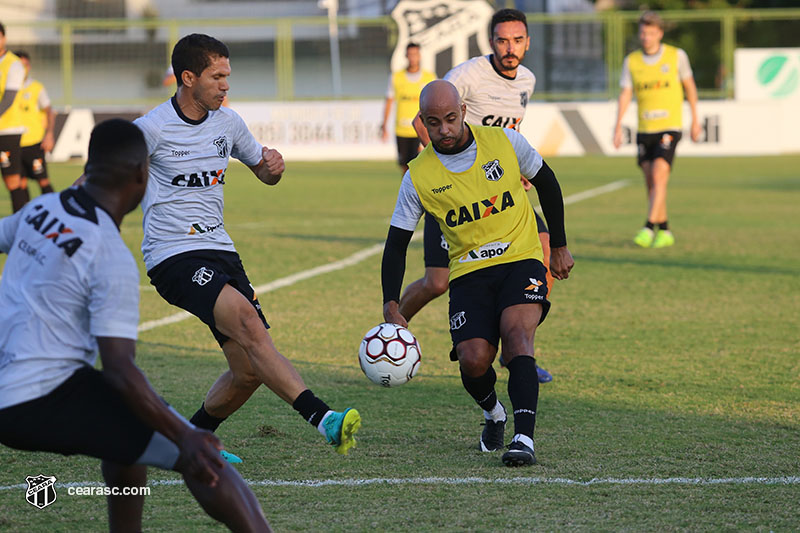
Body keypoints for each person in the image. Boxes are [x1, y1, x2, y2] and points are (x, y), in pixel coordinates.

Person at [0, 119, 272, 532]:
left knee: (125, 444)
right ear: (142, 176)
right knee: (205, 461)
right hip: (41, 398)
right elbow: (120, 370)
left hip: (23, 386)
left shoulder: (41, 209)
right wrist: (186, 437)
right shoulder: (109, 255)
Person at [134, 34, 360, 461]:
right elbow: (103, 176)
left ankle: (190, 442)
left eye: (228, 77)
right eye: (217, 77)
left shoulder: (229, 123)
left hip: (221, 250)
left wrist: (274, 167)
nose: (225, 86)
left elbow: (264, 170)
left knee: (248, 371)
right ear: (188, 78)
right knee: (251, 329)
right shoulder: (151, 128)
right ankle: (324, 418)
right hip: (172, 256)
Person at [381, 80, 574, 466]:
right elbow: (396, 243)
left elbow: (547, 183)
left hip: (521, 258)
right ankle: (493, 414)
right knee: (472, 360)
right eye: (434, 123)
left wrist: (559, 245)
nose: (445, 130)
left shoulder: (504, 142)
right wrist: (391, 303)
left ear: (463, 111)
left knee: (518, 334)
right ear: (423, 123)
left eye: (451, 119)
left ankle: (524, 438)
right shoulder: (417, 176)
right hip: (469, 272)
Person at [406, 8, 554, 383]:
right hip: (458, 197)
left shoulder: (527, 81)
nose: (510, 47)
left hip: (501, 198)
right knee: (436, 283)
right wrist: (446, 174)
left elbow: (510, 133)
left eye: (517, 40)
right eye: (503, 40)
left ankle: (516, 350)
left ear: (527, 43)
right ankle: (391, 327)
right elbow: (423, 121)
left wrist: (514, 168)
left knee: (545, 249)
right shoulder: (467, 75)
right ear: (491, 42)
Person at [613, 10, 701, 248]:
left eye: (651, 33)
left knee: (660, 174)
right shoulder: (632, 61)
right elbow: (625, 94)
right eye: (643, 33)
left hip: (669, 126)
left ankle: (648, 227)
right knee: (651, 183)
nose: (646, 37)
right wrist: (618, 125)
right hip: (645, 128)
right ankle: (665, 229)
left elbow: (690, 86)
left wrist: (695, 118)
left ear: (660, 33)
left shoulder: (676, 56)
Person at [380, 42, 436, 174]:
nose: (413, 57)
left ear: (419, 56)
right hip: (402, 129)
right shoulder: (396, 77)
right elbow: (389, 101)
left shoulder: (429, 77)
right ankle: (408, 193)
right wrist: (384, 126)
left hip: (421, 130)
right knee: (405, 167)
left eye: (415, 54)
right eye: (410, 54)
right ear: (406, 55)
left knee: (422, 165)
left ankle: (422, 194)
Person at [14, 50, 56, 196]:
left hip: (33, 143)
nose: (23, 69)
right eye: (19, 66)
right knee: (19, 183)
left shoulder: (36, 88)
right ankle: (23, 217)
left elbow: (49, 111)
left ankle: (55, 212)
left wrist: (49, 134)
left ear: (29, 66)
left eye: (25, 65)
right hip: (13, 142)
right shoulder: (6, 88)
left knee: (43, 181)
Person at [0, 22, 27, 212]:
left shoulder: (14, 64)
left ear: (4, 38)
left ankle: (23, 225)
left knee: (12, 181)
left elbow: (8, 99)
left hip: (7, 130)